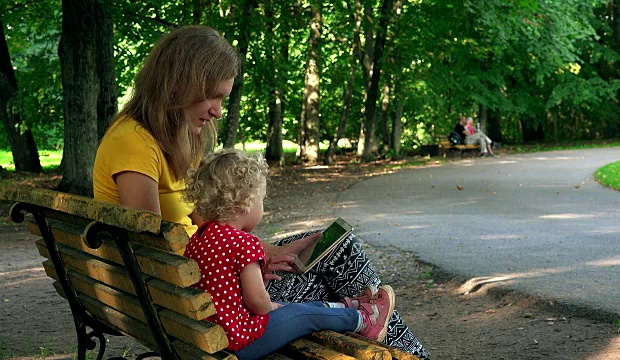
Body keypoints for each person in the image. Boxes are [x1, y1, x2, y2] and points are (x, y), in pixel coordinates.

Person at [93, 25, 430, 359]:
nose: (217, 111)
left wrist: (265, 252)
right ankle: (400, 348)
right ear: (178, 83)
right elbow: (152, 250)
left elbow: (206, 223)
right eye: (213, 96)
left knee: (330, 248)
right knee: (342, 270)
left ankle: (378, 330)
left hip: (196, 280)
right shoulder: (134, 143)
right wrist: (243, 265)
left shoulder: (170, 137)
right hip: (196, 299)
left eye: (222, 99)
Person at [182, 149, 396, 359]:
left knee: (298, 309)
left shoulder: (200, 238)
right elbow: (258, 303)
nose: (262, 207)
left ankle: (348, 307)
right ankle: (364, 320)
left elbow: (220, 287)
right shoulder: (244, 242)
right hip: (240, 341)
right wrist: (274, 307)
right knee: (300, 315)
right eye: (261, 200)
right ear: (244, 203)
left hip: (215, 336)